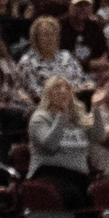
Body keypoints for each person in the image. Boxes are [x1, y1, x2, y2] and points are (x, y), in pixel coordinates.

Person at [27, 76, 92, 207]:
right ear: (48, 94)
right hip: (49, 174)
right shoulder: (39, 117)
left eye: (66, 87)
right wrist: (61, 116)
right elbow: (50, 145)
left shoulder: (77, 120)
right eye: (57, 87)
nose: (62, 91)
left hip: (80, 177)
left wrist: (96, 106)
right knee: (71, 196)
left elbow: (99, 137)